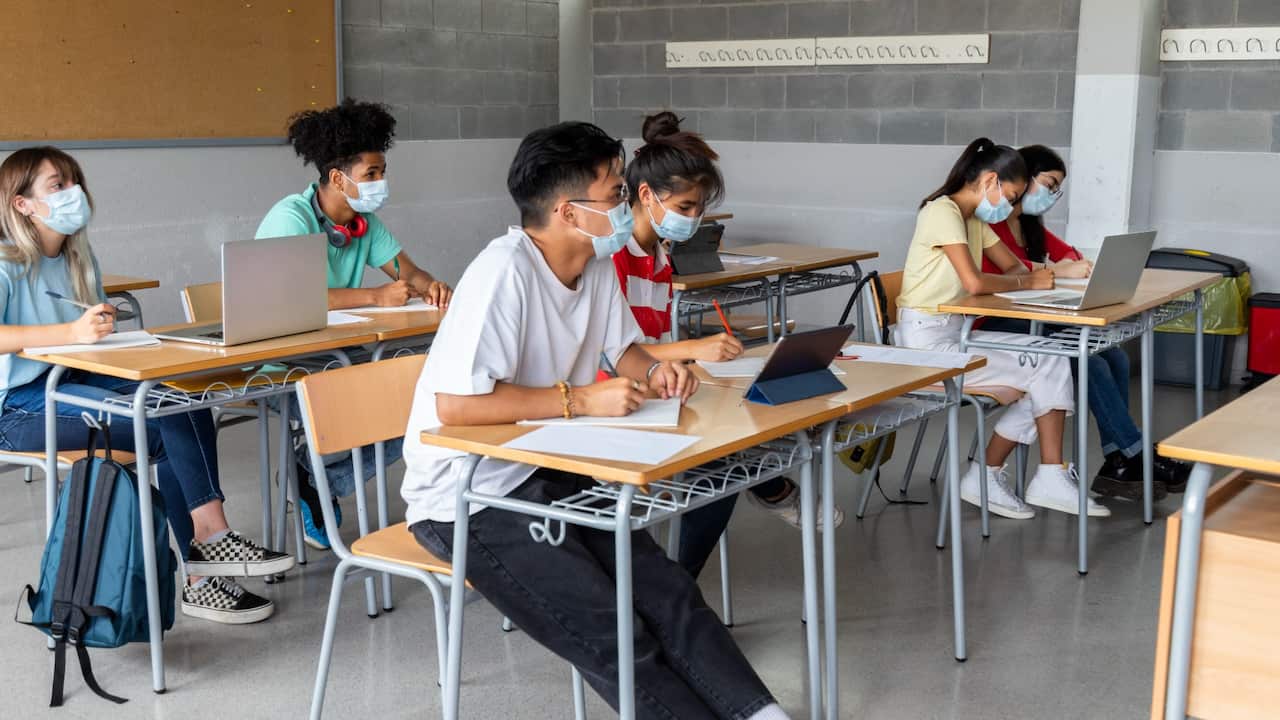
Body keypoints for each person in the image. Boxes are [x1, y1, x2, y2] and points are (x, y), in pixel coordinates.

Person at [401, 121, 790, 720]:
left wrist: (659, 373)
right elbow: (455, 408)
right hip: (471, 496)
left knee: (669, 596)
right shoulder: (502, 272)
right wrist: (580, 400)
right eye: (613, 193)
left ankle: (761, 714)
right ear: (568, 211)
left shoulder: (597, 265)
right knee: (614, 634)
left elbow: (626, 353)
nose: (623, 202)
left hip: (552, 466)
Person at [0, 147, 292, 624]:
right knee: (157, 420)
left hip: (70, 378)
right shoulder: (5, 262)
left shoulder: (78, 256)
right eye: (58, 185)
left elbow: (86, 328)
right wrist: (70, 332)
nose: (74, 192)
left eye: (75, 181)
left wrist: (101, 320)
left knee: (181, 401)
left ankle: (206, 557)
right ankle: (208, 562)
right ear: (22, 204)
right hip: (16, 408)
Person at [617, 111, 843, 579]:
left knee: (746, 419)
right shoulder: (613, 259)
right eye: (686, 208)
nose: (695, 219)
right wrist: (690, 351)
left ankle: (685, 579)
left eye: (699, 209)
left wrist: (688, 357)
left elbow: (649, 343)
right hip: (618, 393)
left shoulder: (658, 253)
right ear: (645, 195)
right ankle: (765, 498)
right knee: (720, 458)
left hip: (657, 387)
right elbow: (614, 354)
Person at [255, 100, 448, 549]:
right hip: (283, 357)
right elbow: (290, 298)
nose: (381, 183)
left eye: (383, 172)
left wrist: (431, 286)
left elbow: (410, 273)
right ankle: (318, 475)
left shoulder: (366, 223)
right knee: (374, 396)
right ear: (338, 178)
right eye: (372, 175)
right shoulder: (292, 217)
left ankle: (316, 477)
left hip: (337, 350)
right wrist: (375, 296)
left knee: (424, 393)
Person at [897, 137, 1109, 519]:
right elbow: (976, 282)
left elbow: (1014, 266)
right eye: (1010, 197)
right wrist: (1030, 282)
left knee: (1052, 361)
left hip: (956, 332)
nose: (1011, 207)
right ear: (990, 180)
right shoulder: (940, 212)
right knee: (1045, 371)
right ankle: (995, 475)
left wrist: (1036, 276)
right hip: (925, 344)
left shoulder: (974, 218)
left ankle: (1033, 474)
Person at [980, 144, 1191, 497]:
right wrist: (1052, 269)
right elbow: (1002, 273)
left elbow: (1071, 257)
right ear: (1023, 177)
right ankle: (1134, 453)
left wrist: (1065, 266)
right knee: (1087, 360)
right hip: (993, 323)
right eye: (1048, 184)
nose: (1051, 195)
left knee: (1116, 356)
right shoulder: (993, 224)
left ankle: (1118, 461)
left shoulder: (1028, 226)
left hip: (1031, 317)